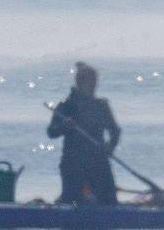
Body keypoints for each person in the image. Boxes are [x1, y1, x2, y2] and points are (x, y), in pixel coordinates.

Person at [46, 62, 120, 205]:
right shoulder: (68, 105)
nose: (94, 85)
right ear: (80, 82)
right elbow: (51, 132)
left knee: (109, 201)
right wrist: (64, 126)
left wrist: (110, 147)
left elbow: (115, 131)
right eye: (91, 82)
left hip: (99, 161)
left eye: (95, 82)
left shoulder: (101, 106)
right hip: (73, 162)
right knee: (71, 200)